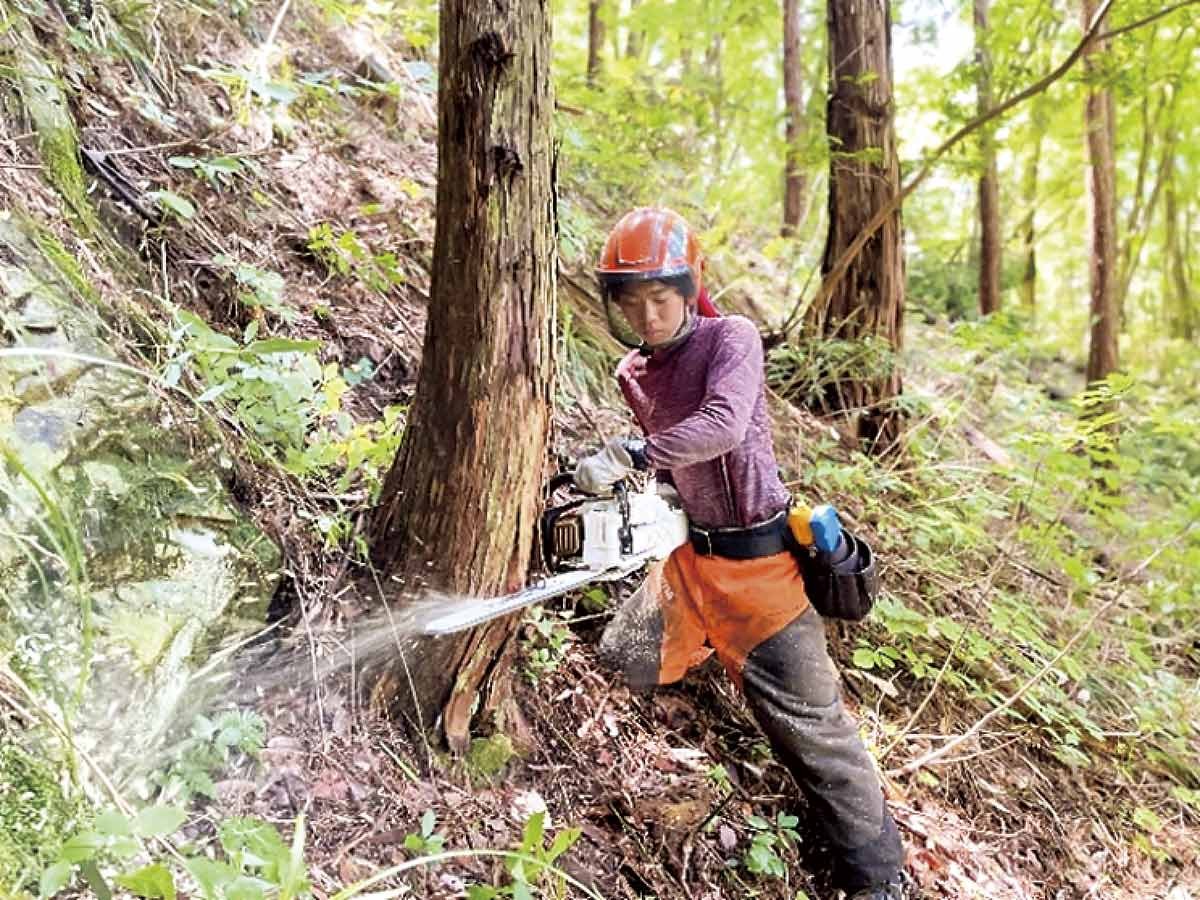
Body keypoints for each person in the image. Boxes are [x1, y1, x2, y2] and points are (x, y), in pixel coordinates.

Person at [574, 207, 906, 899]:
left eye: (661, 299)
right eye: (632, 304)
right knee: (619, 662)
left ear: (690, 285)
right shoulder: (631, 372)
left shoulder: (733, 338)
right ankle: (702, 726)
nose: (649, 317)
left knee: (814, 731)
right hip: (690, 562)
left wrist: (638, 452)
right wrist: (632, 487)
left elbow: (722, 426)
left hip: (761, 570)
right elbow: (667, 466)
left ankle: (878, 877)